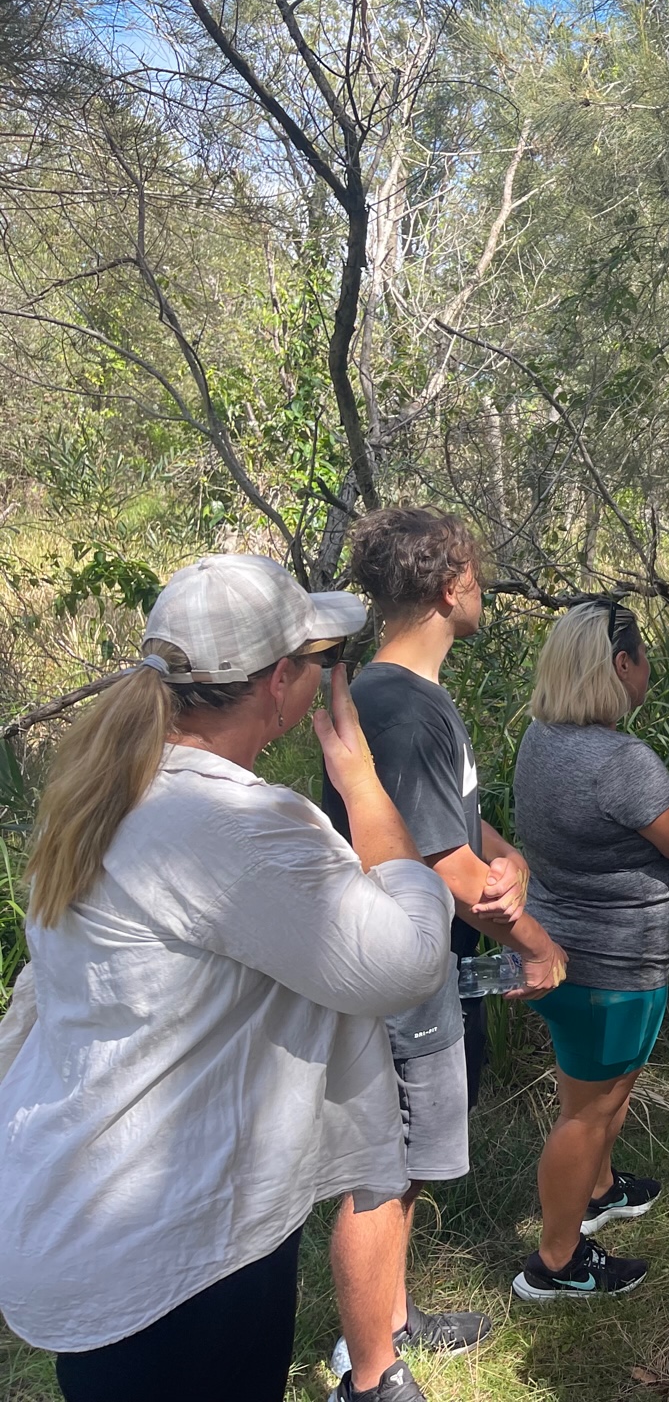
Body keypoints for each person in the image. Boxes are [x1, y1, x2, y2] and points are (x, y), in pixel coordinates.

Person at [0, 555, 453, 1402]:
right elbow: (405, 957)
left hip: (83, 1215)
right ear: (282, 682)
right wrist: (362, 787)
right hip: (178, 1253)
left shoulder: (103, 794)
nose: (323, 678)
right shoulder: (233, 823)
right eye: (318, 662)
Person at [321, 506, 566, 1402]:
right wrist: (539, 949)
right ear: (448, 585)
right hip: (389, 966)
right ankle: (372, 1374)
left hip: (414, 962)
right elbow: (442, 867)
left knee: (407, 1158)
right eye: (477, 571)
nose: (484, 586)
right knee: (378, 1170)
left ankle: (391, 1318)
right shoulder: (400, 705)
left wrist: (512, 857)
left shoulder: (410, 698)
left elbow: (453, 828)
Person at [509, 602, 669, 1300]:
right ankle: (557, 1262)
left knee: (593, 1093)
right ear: (620, 666)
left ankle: (598, 1191)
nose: (649, 670)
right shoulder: (619, 759)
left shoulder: (541, 738)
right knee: (586, 1112)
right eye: (643, 658)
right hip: (614, 966)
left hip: (564, 946)